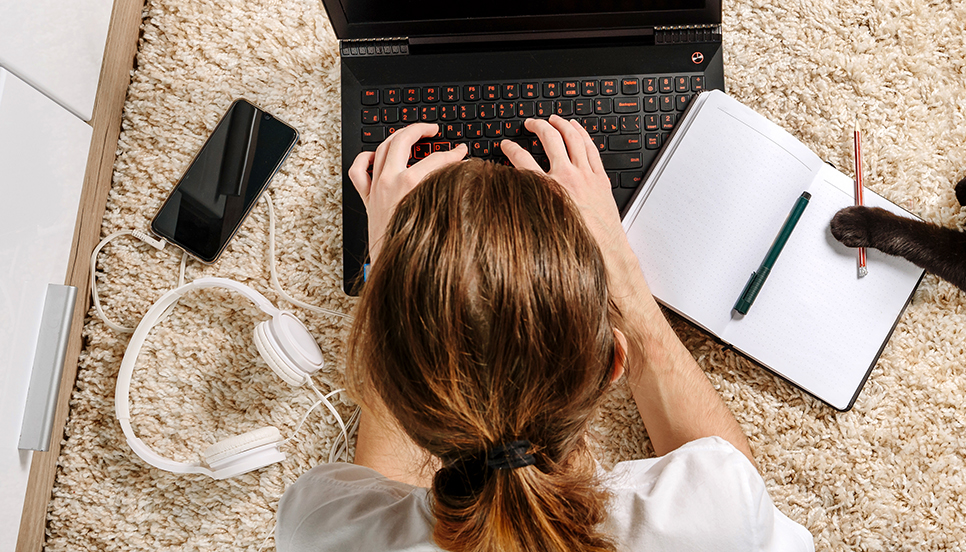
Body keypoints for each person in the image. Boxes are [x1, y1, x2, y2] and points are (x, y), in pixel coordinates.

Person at [276, 115, 815, 552]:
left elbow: (379, 505)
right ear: (612, 366)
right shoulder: (716, 514)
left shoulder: (319, 529)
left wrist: (397, 266)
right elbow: (719, 468)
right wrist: (621, 273)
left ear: (382, 379)